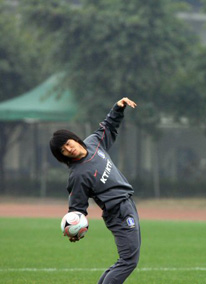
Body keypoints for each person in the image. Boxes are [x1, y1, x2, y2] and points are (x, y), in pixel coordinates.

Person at [49, 97, 140, 284]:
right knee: (128, 261)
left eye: (68, 143)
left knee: (125, 261)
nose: (68, 148)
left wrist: (118, 108)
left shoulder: (94, 143)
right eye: (63, 150)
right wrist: (73, 229)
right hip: (118, 213)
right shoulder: (78, 175)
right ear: (62, 156)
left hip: (128, 204)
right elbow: (77, 208)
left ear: (73, 138)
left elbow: (108, 126)